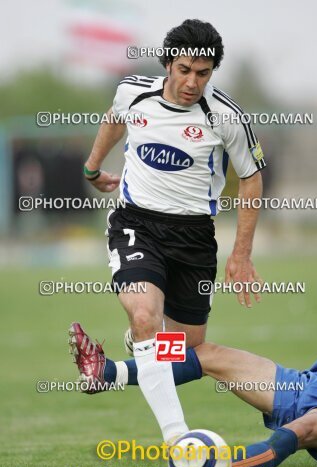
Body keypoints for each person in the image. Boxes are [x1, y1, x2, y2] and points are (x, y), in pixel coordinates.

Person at [75, 18, 265, 444]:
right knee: (146, 315)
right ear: (167, 64)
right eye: (184, 70)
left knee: (189, 349)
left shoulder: (226, 116)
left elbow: (251, 177)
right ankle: (179, 441)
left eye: (203, 73)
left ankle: (113, 368)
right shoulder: (133, 93)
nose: (192, 82)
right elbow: (114, 119)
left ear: (213, 71)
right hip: (136, 223)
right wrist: (92, 167)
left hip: (195, 238)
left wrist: (241, 253)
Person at [69, 303, 317, 467]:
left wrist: (216, 466)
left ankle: (218, 465)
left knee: (303, 430)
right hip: (305, 385)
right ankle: (108, 373)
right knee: (204, 352)